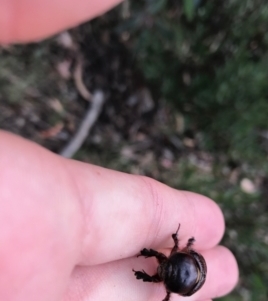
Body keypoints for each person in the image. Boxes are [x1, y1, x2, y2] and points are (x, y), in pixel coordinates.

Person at [0, 1, 238, 300]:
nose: (161, 269)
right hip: (184, 268)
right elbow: (169, 263)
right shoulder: (174, 264)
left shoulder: (172, 271)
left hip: (185, 271)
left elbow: (168, 269)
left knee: (161, 267)